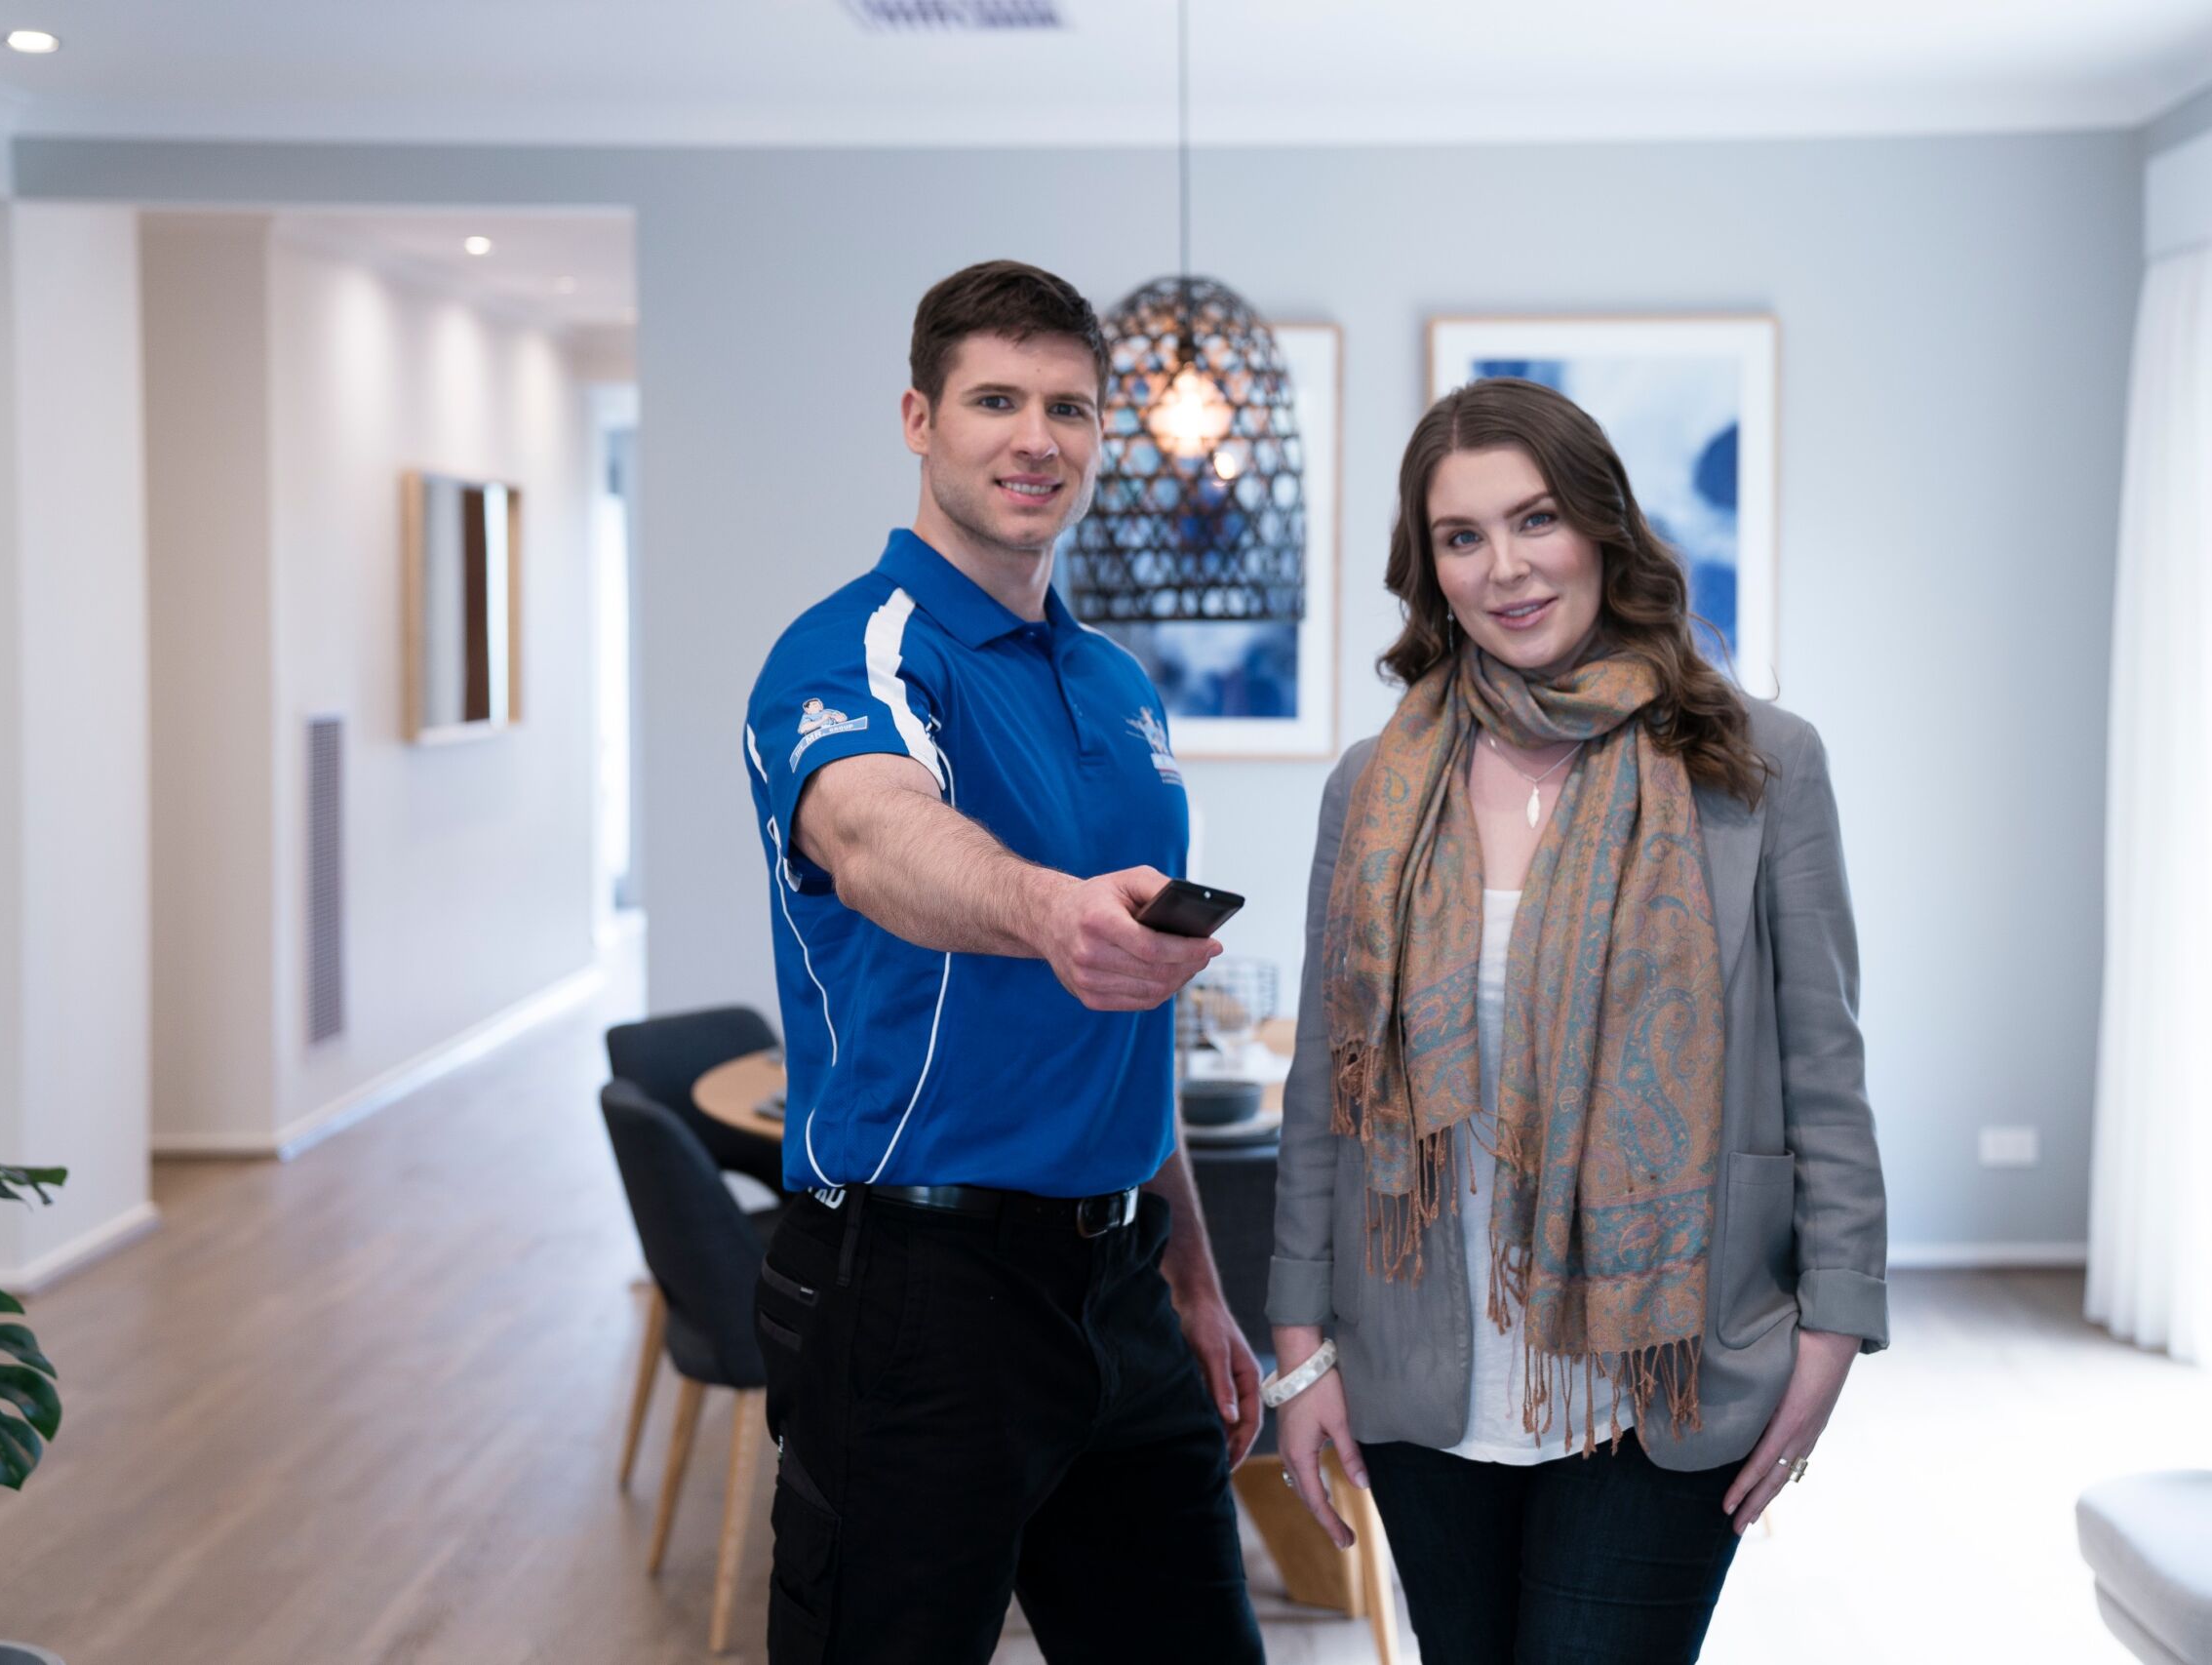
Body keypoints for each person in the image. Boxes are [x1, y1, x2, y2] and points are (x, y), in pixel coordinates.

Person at [1264, 377, 1890, 1664]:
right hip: (1422, 1375)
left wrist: (1834, 1329)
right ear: (1429, 569)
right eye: (1463, 537)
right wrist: (1298, 1352)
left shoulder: (1759, 768)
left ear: (1602, 528)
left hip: (1664, 1369)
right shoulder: (1373, 790)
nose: (1507, 567)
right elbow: (1326, 1097)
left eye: (1536, 519)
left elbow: (1826, 1070)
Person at [741, 259, 1266, 1665]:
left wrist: (1199, 1285)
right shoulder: (852, 653)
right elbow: (872, 834)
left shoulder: (1116, 685)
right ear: (919, 418)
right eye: (994, 400)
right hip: (917, 1293)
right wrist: (1048, 916)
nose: (1035, 437)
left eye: (1069, 407)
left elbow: (1130, 1036)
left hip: (1122, 1283)